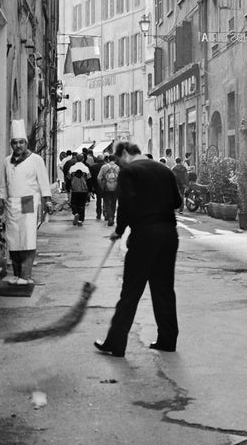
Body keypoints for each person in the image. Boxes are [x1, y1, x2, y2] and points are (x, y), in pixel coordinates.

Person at [94, 141, 185, 359]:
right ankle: (167, 340)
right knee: (164, 289)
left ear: (125, 153)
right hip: (169, 234)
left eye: (118, 159)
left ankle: (115, 343)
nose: (119, 163)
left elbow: (126, 205)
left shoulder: (130, 172)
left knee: (131, 290)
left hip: (144, 235)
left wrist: (119, 229)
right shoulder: (164, 170)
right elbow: (176, 201)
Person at [1, 120, 52, 284]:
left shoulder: (35, 159)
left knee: (27, 237)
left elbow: (43, 181)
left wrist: (47, 200)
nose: (18, 145)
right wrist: (2, 200)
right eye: (15, 143)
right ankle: (16, 274)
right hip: (12, 203)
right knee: (13, 239)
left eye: (21, 142)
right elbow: (4, 183)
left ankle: (25, 275)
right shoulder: (6, 161)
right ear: (11, 144)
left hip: (28, 201)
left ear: (26, 143)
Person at [97, 153, 121, 225]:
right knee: (113, 203)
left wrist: (102, 186)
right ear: (115, 160)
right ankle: (112, 217)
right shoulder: (118, 168)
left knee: (107, 203)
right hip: (115, 188)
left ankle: (109, 216)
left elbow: (98, 178)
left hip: (106, 188)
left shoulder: (104, 167)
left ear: (108, 159)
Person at [67, 160, 91, 225]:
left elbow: (68, 179)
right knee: (82, 205)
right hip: (84, 190)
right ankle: (81, 219)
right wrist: (90, 190)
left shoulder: (72, 168)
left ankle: (76, 213)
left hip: (74, 190)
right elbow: (89, 180)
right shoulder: (86, 168)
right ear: (83, 159)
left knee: (74, 203)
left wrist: (68, 189)